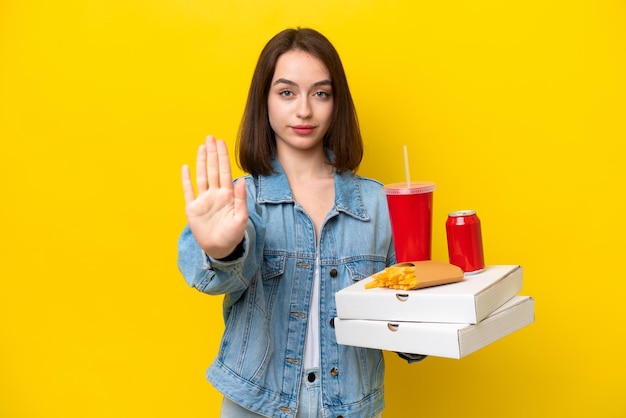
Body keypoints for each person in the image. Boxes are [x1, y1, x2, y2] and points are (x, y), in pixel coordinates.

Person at [178, 27, 419, 418]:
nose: (304, 110)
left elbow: (406, 325)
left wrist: (438, 317)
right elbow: (217, 277)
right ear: (265, 101)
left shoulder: (378, 205)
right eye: (286, 92)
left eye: (320, 93)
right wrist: (222, 249)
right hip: (254, 404)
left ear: (336, 102)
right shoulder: (242, 200)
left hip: (350, 408)